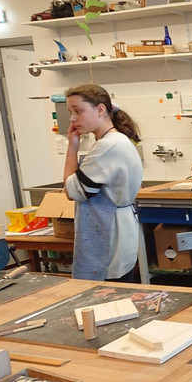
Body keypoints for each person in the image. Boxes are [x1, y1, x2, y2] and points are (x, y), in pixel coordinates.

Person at [63, 84, 143, 282]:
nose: (72, 119)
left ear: (100, 109)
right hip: (117, 230)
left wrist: (72, 148)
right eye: (70, 112)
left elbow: (72, 190)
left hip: (109, 235)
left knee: (108, 293)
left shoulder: (108, 146)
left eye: (78, 111)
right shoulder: (117, 140)